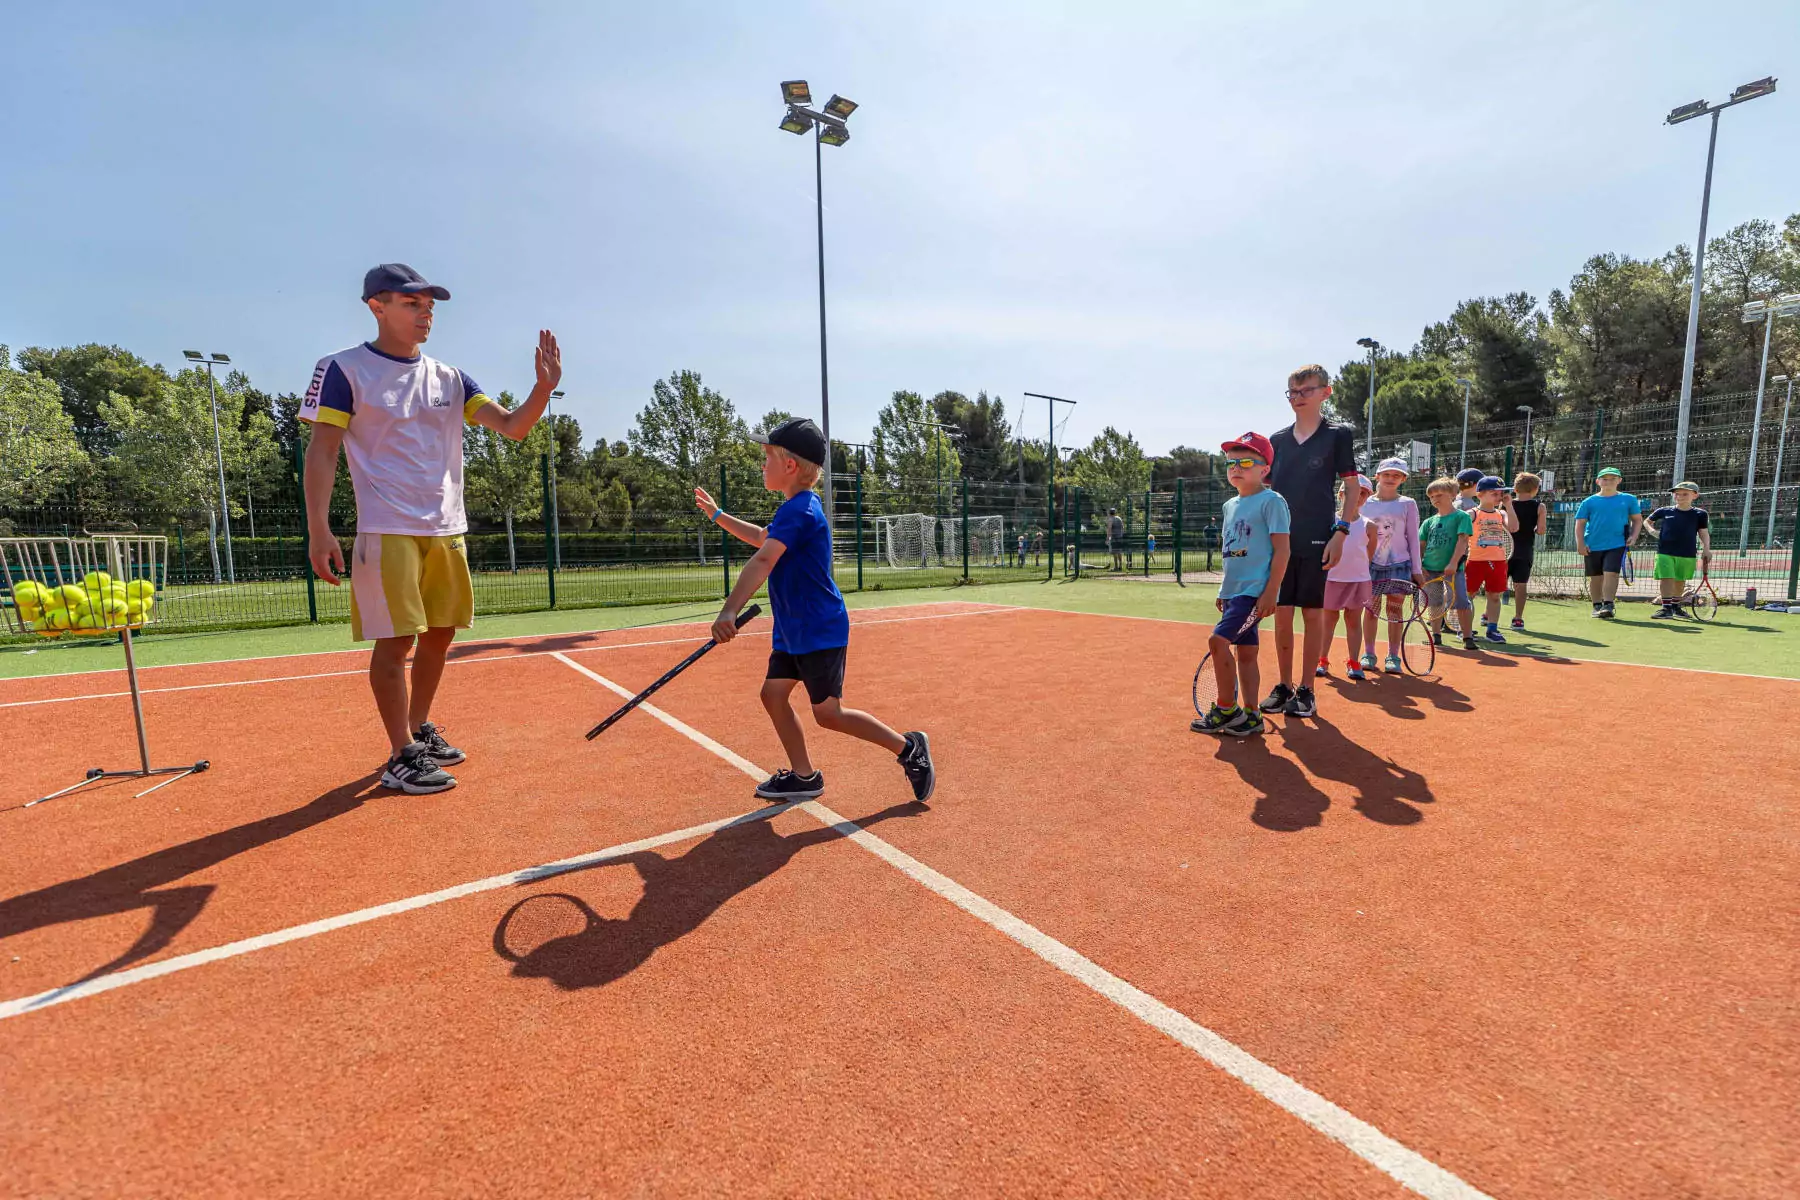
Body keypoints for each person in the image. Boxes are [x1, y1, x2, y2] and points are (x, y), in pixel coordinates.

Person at [302, 263, 560, 795]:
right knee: (396, 643)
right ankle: (400, 755)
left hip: (447, 528)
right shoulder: (343, 369)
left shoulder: (451, 377)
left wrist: (542, 388)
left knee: (440, 635)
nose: (425, 315)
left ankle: (418, 731)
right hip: (386, 528)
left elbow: (513, 428)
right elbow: (323, 450)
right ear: (376, 306)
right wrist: (319, 529)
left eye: (430, 307)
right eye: (411, 304)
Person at [697, 417, 935, 803]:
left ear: (789, 466)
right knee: (773, 695)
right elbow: (761, 538)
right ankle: (805, 777)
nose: (762, 465)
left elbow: (762, 560)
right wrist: (717, 515)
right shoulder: (795, 508)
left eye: (767, 458)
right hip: (795, 630)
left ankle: (908, 748)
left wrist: (728, 612)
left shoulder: (801, 511)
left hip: (819, 629)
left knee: (829, 714)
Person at [1259, 364, 1358, 720]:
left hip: (1319, 536)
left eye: (1306, 391)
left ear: (1325, 393)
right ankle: (1284, 685)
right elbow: (1264, 489)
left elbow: (1351, 487)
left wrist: (1341, 531)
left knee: (1312, 613)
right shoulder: (1277, 441)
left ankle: (1307, 689)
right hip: (1279, 541)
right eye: (1293, 393)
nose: (1298, 398)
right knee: (1281, 614)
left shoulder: (1338, 435)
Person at [1192, 433, 1290, 737]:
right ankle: (1251, 716)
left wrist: (1271, 591)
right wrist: (1225, 591)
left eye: (1246, 461)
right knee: (1246, 654)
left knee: (1217, 642)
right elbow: (1231, 553)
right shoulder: (1229, 507)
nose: (1236, 467)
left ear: (1264, 469)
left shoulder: (1272, 501)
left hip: (1254, 593)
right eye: (1231, 462)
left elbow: (1283, 550)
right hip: (1236, 593)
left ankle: (1225, 709)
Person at [1359, 457, 1425, 674]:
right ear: (1377, 476)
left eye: (1396, 475)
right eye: (1386, 474)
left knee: (1394, 611)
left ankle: (1393, 656)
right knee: (1371, 611)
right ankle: (1368, 653)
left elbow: (1413, 539)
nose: (1391, 478)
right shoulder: (1365, 503)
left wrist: (1416, 569)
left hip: (1400, 565)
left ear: (1403, 479)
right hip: (1370, 566)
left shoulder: (1408, 504)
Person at [1318, 475, 1376, 680]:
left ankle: (1354, 662)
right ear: (1341, 494)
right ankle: (1322, 660)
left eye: (1363, 493)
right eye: (1352, 491)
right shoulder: (1328, 521)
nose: (1357, 496)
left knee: (1353, 621)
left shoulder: (1370, 526)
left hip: (1358, 581)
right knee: (1328, 620)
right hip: (1331, 580)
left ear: (1367, 497)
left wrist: (1356, 572)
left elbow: (1368, 555)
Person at [1574, 467, 1642, 619]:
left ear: (1619, 481)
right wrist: (1580, 544)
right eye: (1605, 479)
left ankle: (1608, 605)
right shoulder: (1588, 502)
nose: (1608, 482)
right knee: (1596, 577)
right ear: (1598, 481)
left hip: (1617, 544)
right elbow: (1580, 524)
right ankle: (1597, 605)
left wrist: (1634, 536)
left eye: (1613, 478)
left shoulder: (1629, 499)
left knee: (1611, 573)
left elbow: (1637, 520)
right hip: (1592, 544)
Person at [1419, 478, 1476, 648]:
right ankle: (1436, 635)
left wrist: (1452, 564)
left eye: (1439, 494)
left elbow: (1462, 542)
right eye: (1431, 496)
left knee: (1461, 602)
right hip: (1430, 570)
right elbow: (1421, 545)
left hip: (1453, 570)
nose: (1435, 498)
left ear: (1452, 495)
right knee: (1435, 602)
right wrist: (1420, 565)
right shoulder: (1428, 522)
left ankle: (1467, 638)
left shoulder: (1461, 517)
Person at [1466, 476, 1520, 642]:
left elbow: (1514, 527)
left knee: (1494, 596)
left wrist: (1509, 505)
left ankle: (1492, 629)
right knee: (1469, 596)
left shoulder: (1501, 513)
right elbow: (1460, 536)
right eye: (1494, 493)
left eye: (1500, 493)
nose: (1499, 497)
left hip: (1498, 562)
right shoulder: (1472, 514)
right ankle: (1465, 629)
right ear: (1480, 494)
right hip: (1475, 561)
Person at [1645, 482, 1711, 618]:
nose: (1680, 497)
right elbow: (1647, 521)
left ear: (1695, 495)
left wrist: (1707, 549)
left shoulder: (1700, 514)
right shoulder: (1664, 511)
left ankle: (1675, 607)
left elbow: (1703, 532)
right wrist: (1652, 531)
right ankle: (1666, 608)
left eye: (1685, 494)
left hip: (1687, 553)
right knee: (1666, 578)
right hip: (1665, 552)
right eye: (1677, 494)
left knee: (1680, 580)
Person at [1506, 472, 1547, 630]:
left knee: (1496, 585)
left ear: (1515, 488)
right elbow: (1541, 530)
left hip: (1505, 550)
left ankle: (1488, 616)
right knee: (1520, 585)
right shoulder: (1539, 506)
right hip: (1524, 550)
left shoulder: (1506, 504)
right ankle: (1518, 618)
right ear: (1535, 489)